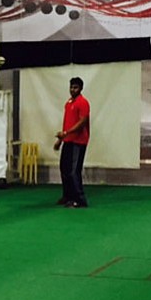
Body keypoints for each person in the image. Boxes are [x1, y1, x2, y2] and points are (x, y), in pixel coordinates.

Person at [54, 76, 90, 208]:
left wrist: (66, 133)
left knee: (74, 171)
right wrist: (61, 140)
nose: (72, 90)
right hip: (68, 140)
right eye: (71, 87)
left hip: (79, 142)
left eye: (75, 87)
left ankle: (79, 200)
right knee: (64, 168)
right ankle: (67, 196)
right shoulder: (69, 103)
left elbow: (82, 122)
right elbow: (66, 123)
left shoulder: (83, 102)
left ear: (81, 88)